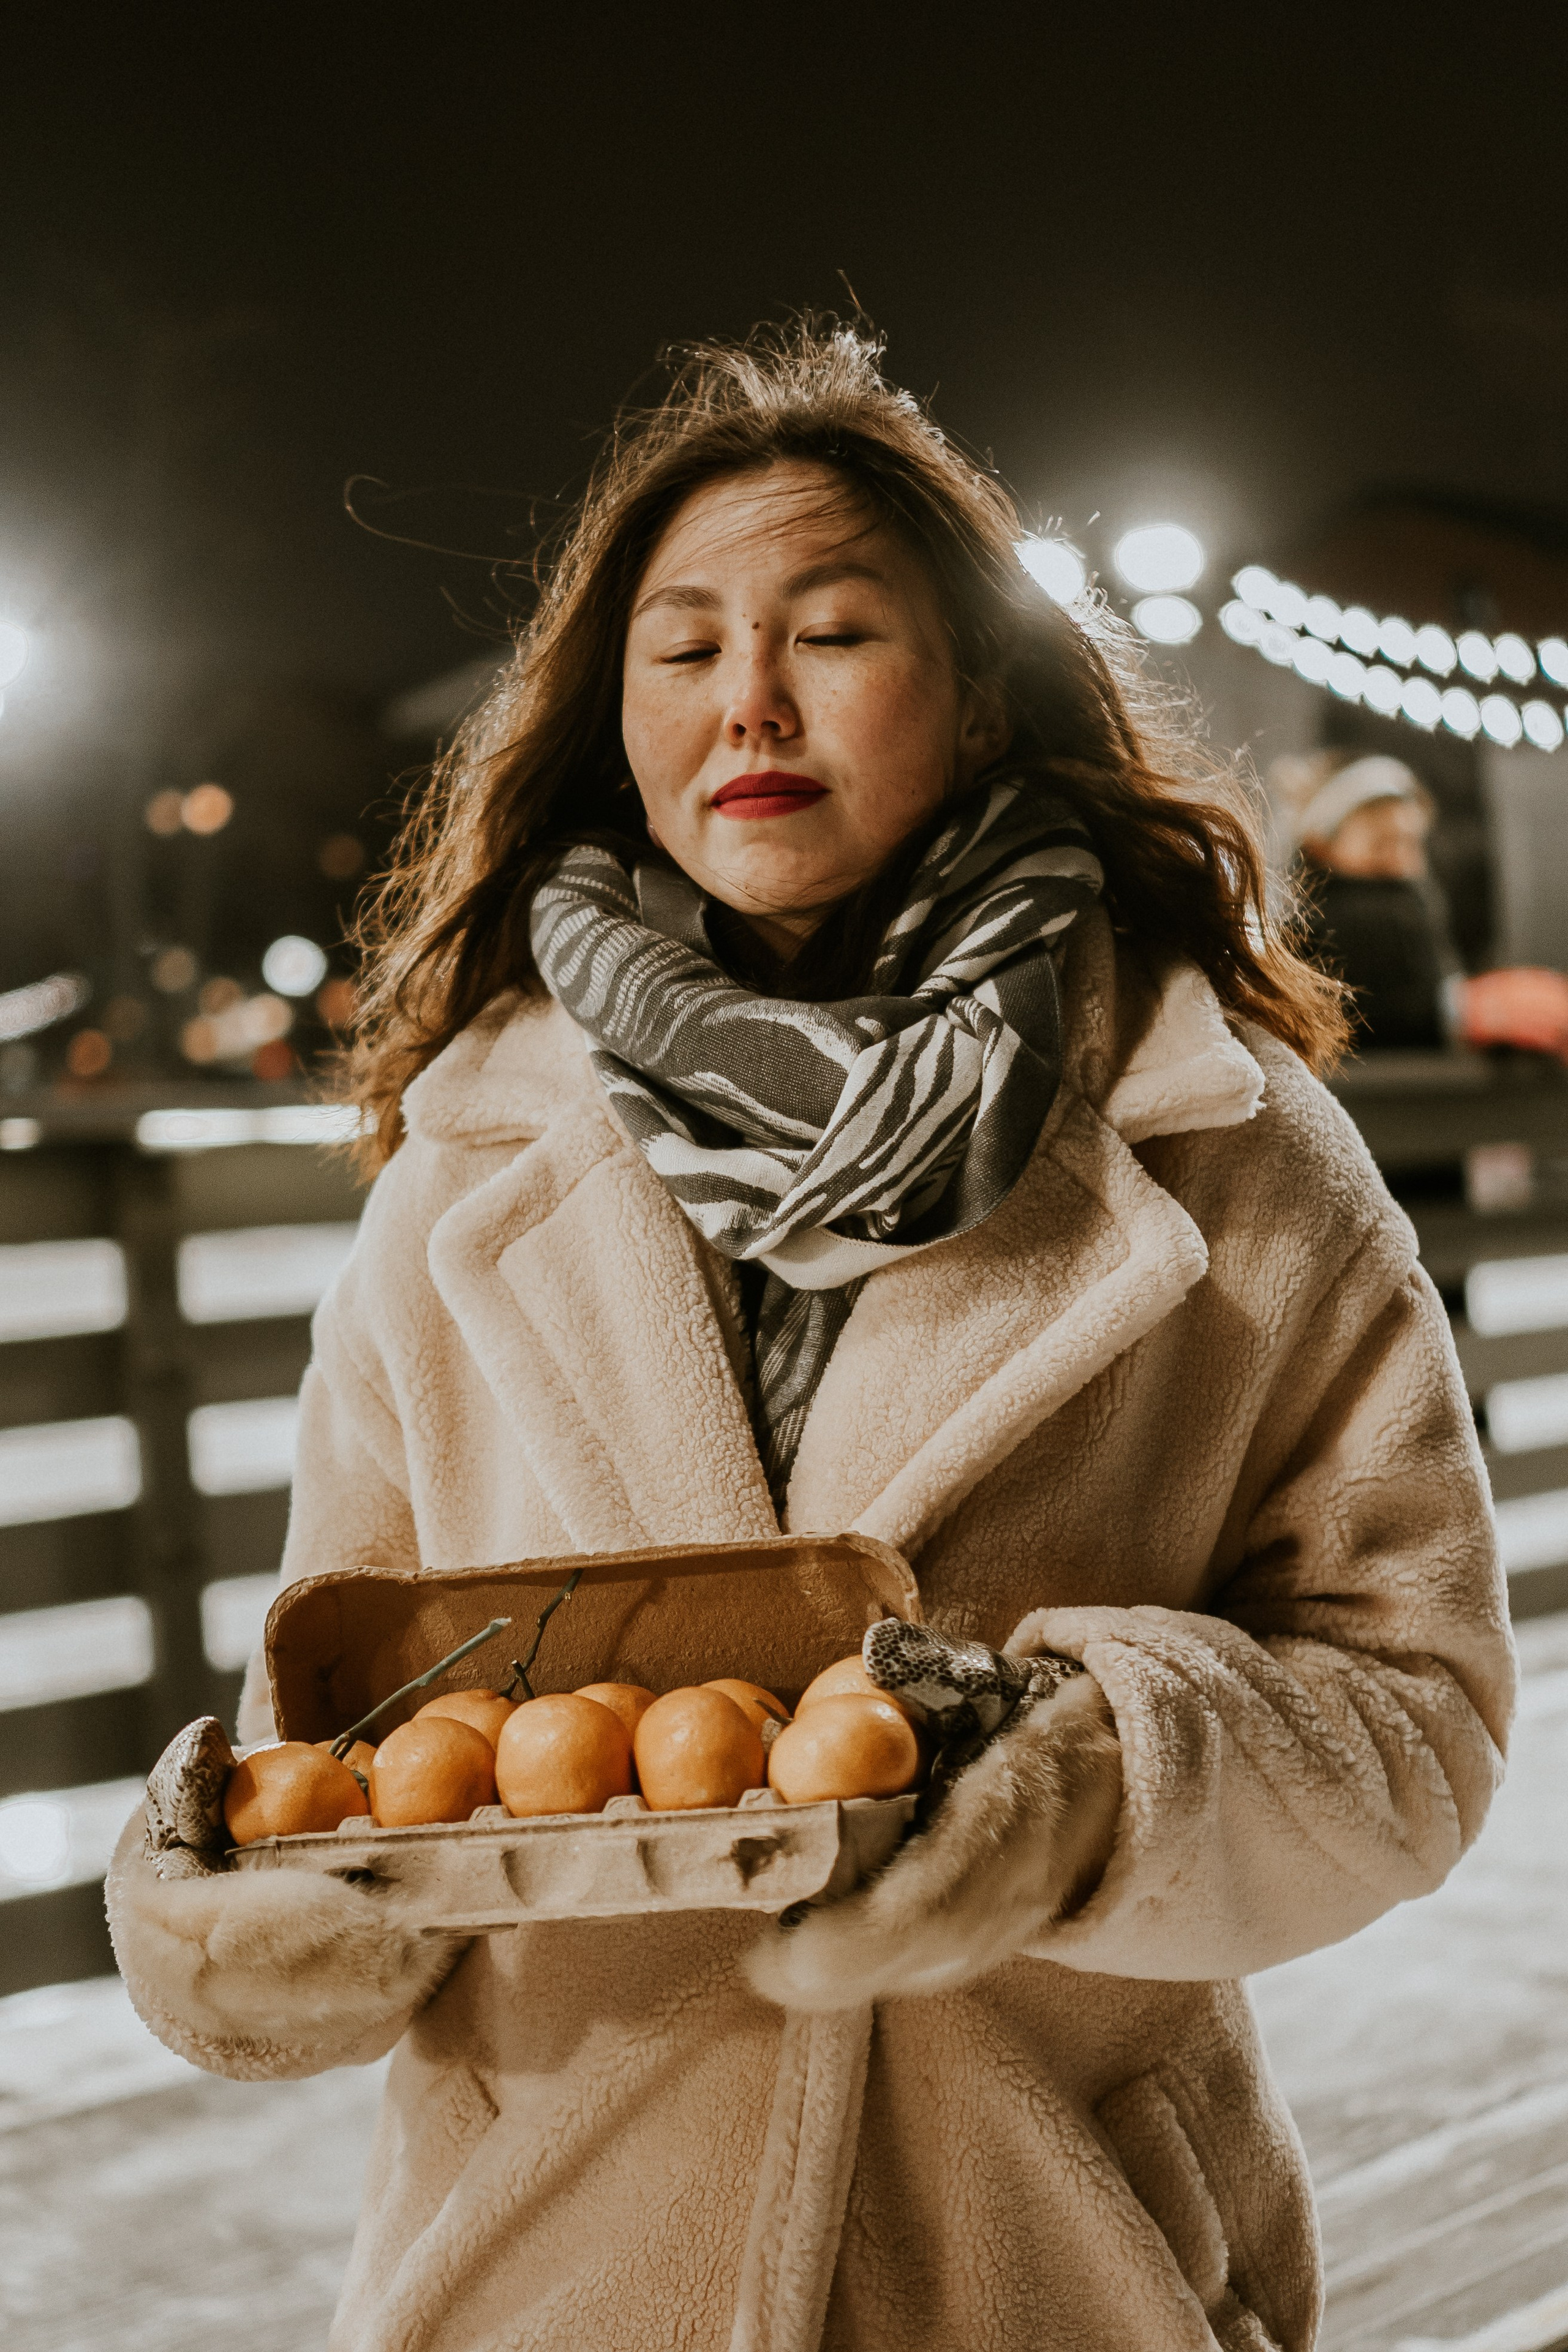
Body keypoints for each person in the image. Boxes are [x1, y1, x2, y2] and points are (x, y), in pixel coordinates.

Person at [108, 322, 1513, 2352]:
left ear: (974, 690)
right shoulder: (467, 1169)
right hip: (558, 2260)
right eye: (681, 648)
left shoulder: (1223, 1145)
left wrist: (1093, 1781)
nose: (748, 697)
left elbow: (1419, 1715)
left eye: (833, 630)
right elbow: (356, 1706)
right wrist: (250, 1893)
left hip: (1048, 2258)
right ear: (617, 716)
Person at [1279, 747, 1568, 1057]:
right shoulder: (1345, 917)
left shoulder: (1408, 902)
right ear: (1321, 847)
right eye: (1380, 844)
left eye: (1411, 842)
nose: (1401, 860)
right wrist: (1468, 1010)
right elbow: (1375, 1013)